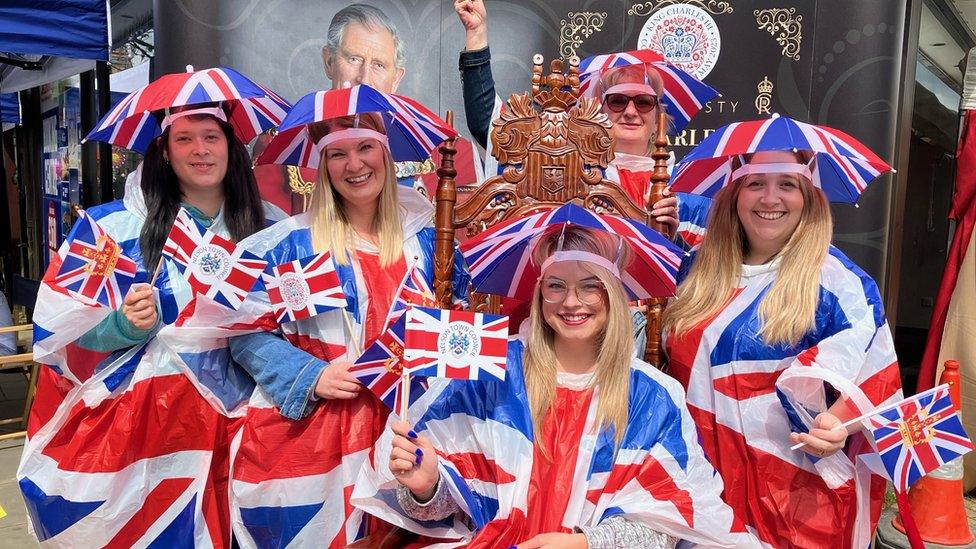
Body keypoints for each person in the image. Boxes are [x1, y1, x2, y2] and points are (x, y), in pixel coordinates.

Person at [352, 225, 759, 549]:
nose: (571, 302)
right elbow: (439, 510)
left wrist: (584, 544)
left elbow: (671, 528)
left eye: (589, 285)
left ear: (613, 295)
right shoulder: (492, 371)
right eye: (557, 285)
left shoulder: (654, 395)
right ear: (540, 295)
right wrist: (426, 488)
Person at [22, 102, 280, 545]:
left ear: (231, 147)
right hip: (151, 434)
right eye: (184, 138)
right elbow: (57, 324)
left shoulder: (272, 227)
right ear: (163, 151)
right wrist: (122, 325)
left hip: (251, 425)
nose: (200, 150)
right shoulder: (112, 228)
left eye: (211, 137)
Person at [226, 112, 469, 546]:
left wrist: (443, 329)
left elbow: (462, 330)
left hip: (408, 435)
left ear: (386, 154)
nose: (354, 165)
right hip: (318, 440)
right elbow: (243, 332)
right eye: (337, 154)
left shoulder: (431, 241)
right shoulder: (291, 243)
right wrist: (311, 375)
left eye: (364, 148)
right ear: (322, 167)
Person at [662, 150, 903, 548]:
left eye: (787, 184)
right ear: (735, 195)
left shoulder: (838, 283)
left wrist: (839, 425)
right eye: (756, 183)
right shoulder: (695, 269)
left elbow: (876, 373)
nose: (769, 198)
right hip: (701, 490)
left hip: (789, 501)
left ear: (809, 197)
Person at [454, 0, 697, 238]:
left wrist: (669, 236)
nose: (631, 111)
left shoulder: (682, 187)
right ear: (599, 112)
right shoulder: (570, 166)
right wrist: (477, 35)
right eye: (618, 101)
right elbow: (491, 125)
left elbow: (697, 269)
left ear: (658, 116)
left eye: (643, 102)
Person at [322, 3, 405, 93]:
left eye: (379, 65)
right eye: (354, 59)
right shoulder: (308, 106)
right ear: (329, 62)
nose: (365, 81)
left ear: (395, 79)